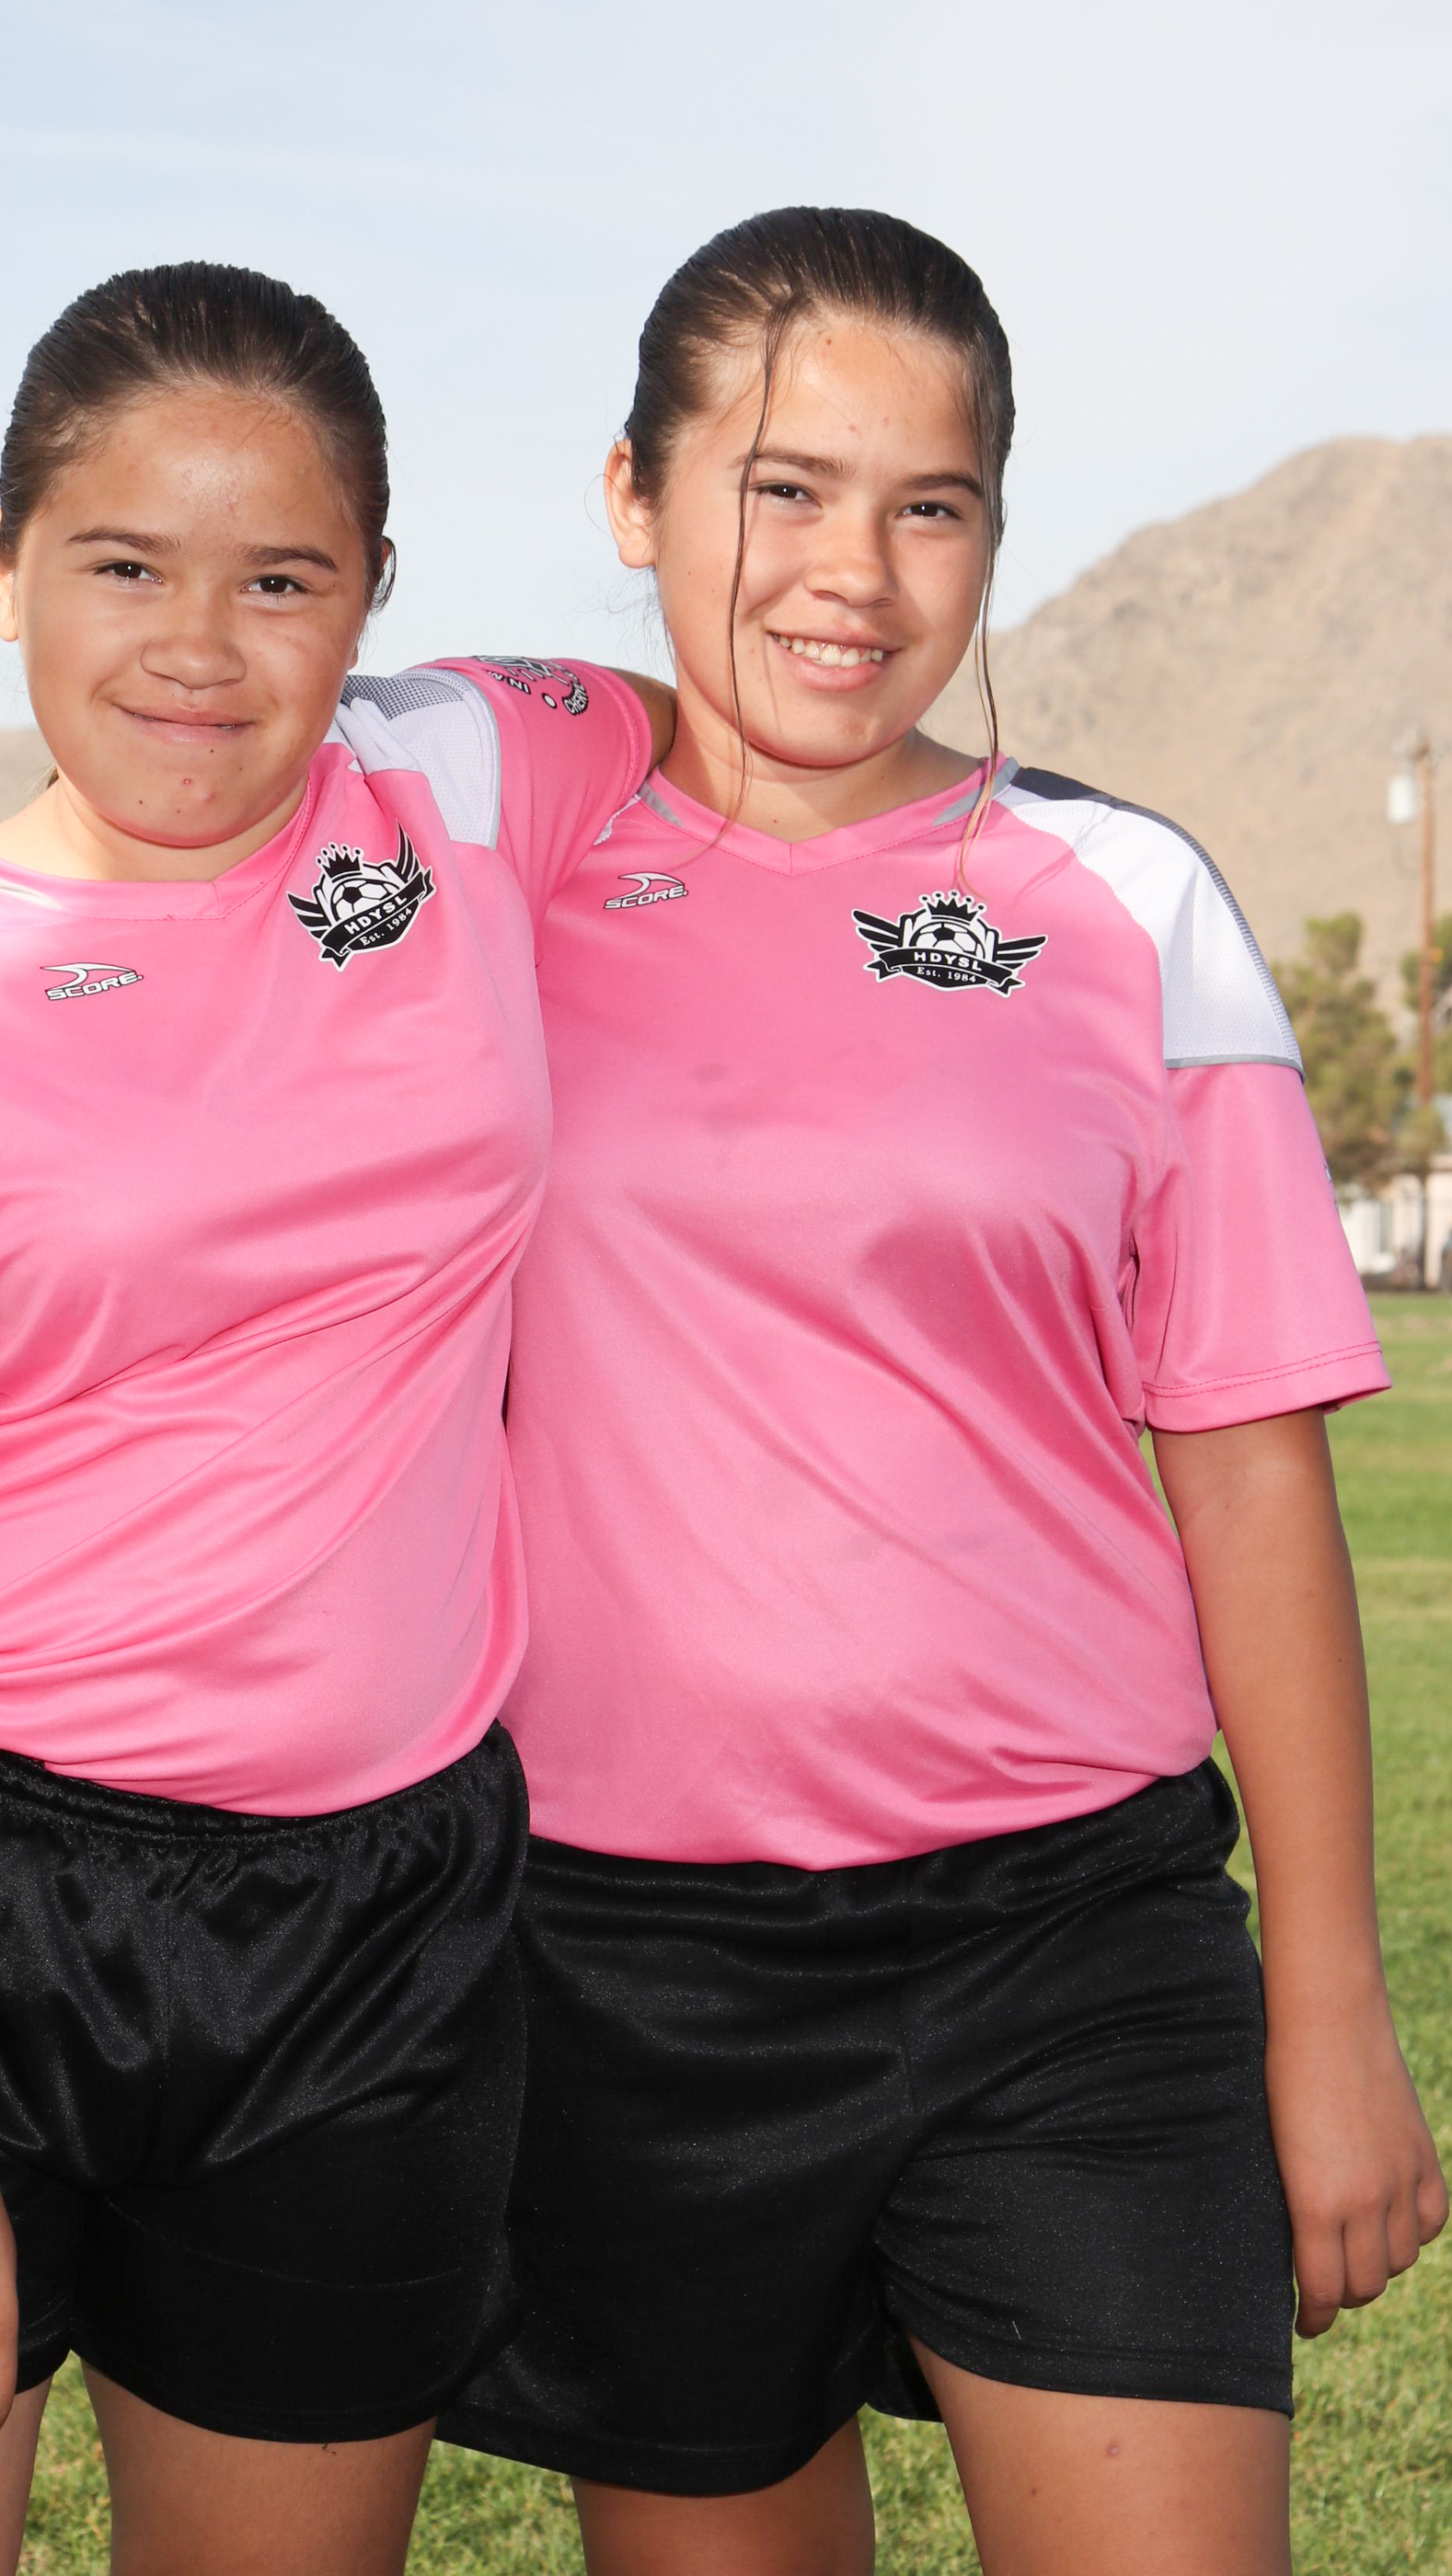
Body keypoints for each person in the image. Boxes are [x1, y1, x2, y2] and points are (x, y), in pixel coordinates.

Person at [0, 260, 664, 2576]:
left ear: (371, 593)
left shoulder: (473, 772)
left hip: (370, 1921)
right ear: (1, 563)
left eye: (279, 576)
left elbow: (774, 714)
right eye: (120, 562)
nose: (199, 643)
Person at [438, 207, 1447, 2576]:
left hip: (1070, 1946)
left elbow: (1248, 1478)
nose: (853, 573)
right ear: (633, 498)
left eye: (930, 504)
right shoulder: (487, 873)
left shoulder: (1125, 898)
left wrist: (1327, 1994)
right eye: (781, 487)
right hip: (624, 1963)